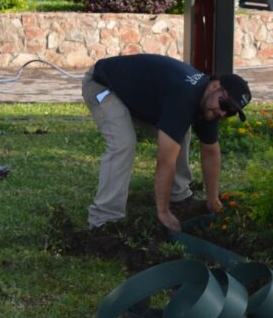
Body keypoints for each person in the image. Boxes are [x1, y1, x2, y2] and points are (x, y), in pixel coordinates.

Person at [81, 54, 251, 232]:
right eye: (225, 105)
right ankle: (104, 220)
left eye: (230, 112)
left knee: (179, 130)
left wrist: (212, 198)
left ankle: (179, 197)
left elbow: (211, 152)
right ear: (215, 86)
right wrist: (162, 212)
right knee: (123, 143)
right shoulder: (185, 96)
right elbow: (165, 162)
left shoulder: (211, 102)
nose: (223, 113)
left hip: (138, 93)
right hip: (103, 85)